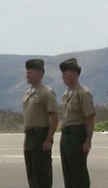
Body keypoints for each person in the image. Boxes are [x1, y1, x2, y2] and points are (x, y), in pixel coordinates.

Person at [59, 58, 96, 188]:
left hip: (77, 135)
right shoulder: (65, 95)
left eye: (66, 74)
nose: (63, 76)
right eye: (62, 74)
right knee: (68, 172)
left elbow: (89, 118)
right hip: (66, 136)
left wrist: (88, 140)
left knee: (78, 172)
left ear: (75, 74)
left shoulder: (83, 93)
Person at [22, 59, 59, 188]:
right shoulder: (28, 93)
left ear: (40, 74)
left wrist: (49, 139)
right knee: (31, 172)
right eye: (27, 72)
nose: (27, 75)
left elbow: (53, 117)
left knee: (42, 172)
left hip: (40, 135)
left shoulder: (46, 93)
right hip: (29, 135)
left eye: (30, 72)